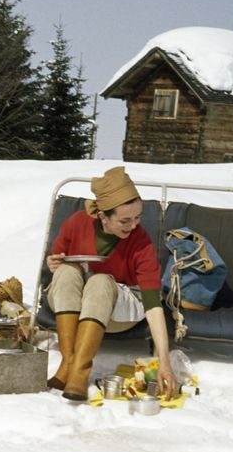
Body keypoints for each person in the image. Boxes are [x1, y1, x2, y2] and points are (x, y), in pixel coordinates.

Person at [44, 166, 177, 402]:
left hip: (118, 313)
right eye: (125, 220)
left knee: (100, 280)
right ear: (103, 216)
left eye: (137, 218)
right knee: (66, 271)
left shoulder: (140, 241)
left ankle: (79, 372)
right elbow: (57, 259)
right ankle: (68, 363)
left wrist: (164, 363)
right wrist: (53, 262)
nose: (133, 226)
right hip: (75, 304)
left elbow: (152, 304)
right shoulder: (77, 223)